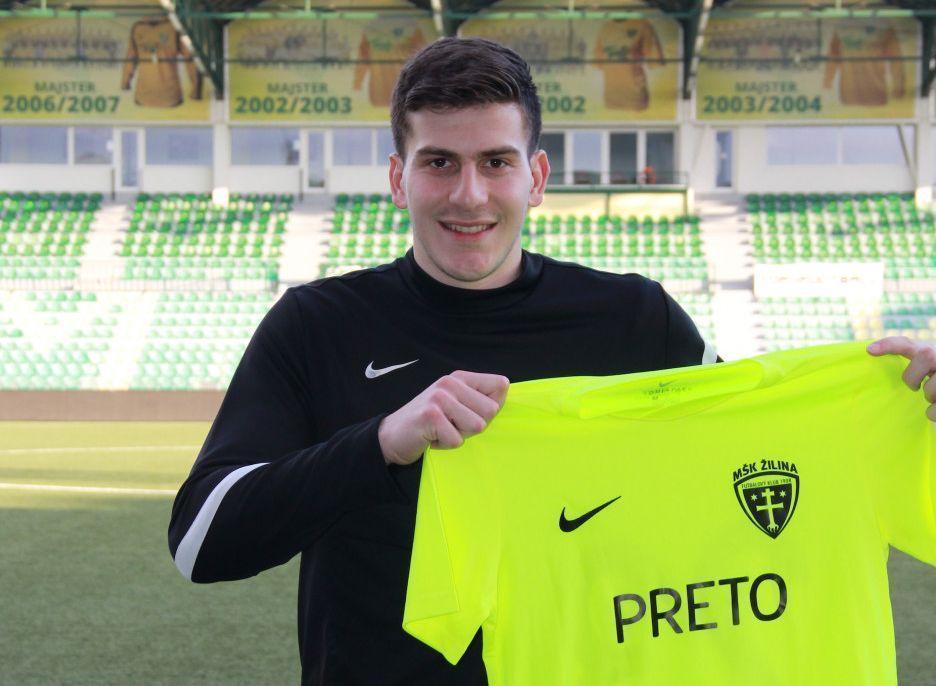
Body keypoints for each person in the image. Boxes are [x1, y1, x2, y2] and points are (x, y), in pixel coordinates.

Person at [168, 37, 936, 686]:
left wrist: (908, 408)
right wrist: (381, 443)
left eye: (495, 162)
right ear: (399, 178)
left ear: (535, 178)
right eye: (439, 163)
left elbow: (757, 462)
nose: (470, 194)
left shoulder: (635, 320)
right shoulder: (317, 326)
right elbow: (202, 542)